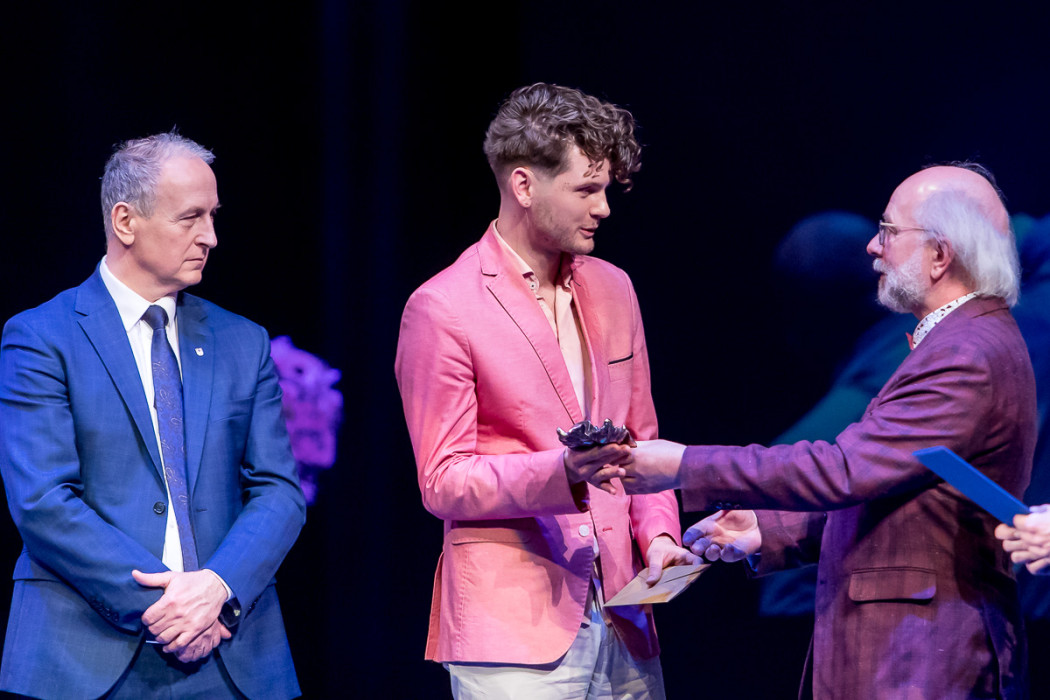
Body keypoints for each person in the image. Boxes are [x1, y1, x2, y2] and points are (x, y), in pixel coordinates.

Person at [620, 164, 1035, 698]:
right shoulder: (960, 342)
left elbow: (843, 468)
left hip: (921, 665)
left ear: (940, 254)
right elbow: (902, 500)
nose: (873, 246)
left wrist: (681, 464)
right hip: (909, 657)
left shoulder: (965, 353)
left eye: (889, 230)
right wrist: (769, 531)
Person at [394, 83, 694, 699]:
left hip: (624, 611)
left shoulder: (615, 288)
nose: (604, 208)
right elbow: (442, 480)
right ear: (524, 185)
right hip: (513, 621)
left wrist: (660, 537)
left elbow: (643, 438)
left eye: (606, 189)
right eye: (586, 190)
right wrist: (562, 471)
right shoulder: (443, 306)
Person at [0, 133, 306, 699]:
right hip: (82, 656)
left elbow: (280, 490)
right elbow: (42, 499)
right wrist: (174, 606)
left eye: (212, 216)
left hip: (229, 651)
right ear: (125, 221)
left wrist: (217, 588)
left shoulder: (243, 342)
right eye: (190, 217)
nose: (210, 236)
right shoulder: (42, 337)